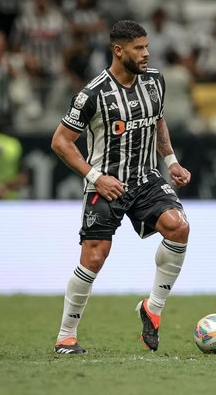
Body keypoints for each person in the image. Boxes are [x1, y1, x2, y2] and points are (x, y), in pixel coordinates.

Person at [50, 20, 191, 354]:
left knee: (178, 228)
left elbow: (157, 121)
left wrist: (171, 161)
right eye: (138, 48)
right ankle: (66, 335)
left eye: (146, 47)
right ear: (118, 50)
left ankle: (152, 310)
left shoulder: (155, 81)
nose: (146, 54)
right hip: (106, 184)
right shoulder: (92, 94)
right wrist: (95, 176)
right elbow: (60, 142)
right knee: (94, 258)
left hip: (145, 178)